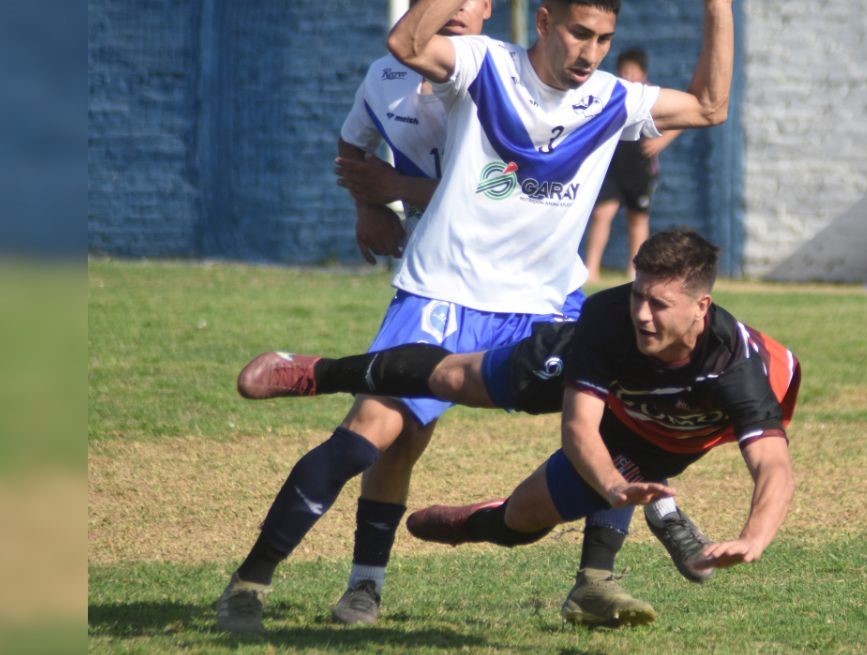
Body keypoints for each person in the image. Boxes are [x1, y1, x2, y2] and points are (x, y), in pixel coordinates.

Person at [215, 0, 736, 634]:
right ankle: (252, 582)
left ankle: (597, 579)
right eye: (578, 33)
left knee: (621, 407)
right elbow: (406, 44)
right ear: (543, 22)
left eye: (603, 39)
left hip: (546, 306)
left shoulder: (612, 98)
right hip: (445, 293)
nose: (590, 52)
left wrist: (718, 9)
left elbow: (711, 107)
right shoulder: (484, 65)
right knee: (370, 438)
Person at [236, 230, 801, 626]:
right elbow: (580, 427)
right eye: (638, 295)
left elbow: (773, 465)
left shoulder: (738, 370)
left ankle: (477, 521)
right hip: (596, 385)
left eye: (659, 304)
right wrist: (611, 487)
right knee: (457, 377)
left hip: (660, 431)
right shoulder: (608, 320)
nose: (642, 314)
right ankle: (321, 371)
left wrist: (754, 538)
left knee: (523, 517)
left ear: (702, 307)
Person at [319, 0, 486, 627]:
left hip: (517, 280)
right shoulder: (384, 76)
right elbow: (352, 141)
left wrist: (400, 191)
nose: (457, 9)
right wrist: (369, 207)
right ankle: (365, 584)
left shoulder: (503, 76)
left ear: (491, 9)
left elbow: (503, 191)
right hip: (433, 273)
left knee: (596, 396)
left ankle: (596, 575)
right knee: (399, 427)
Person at [583, 48, 681, 282]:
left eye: (631, 71)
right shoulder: (614, 93)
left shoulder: (649, 96)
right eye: (623, 70)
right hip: (613, 166)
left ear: (642, 72)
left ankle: (634, 271)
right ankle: (591, 270)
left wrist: (662, 141)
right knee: (601, 213)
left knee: (637, 218)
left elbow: (681, 118)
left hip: (641, 168)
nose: (627, 75)